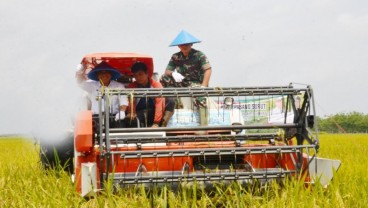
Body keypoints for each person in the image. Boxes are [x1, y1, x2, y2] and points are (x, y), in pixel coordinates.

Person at [160, 30, 212, 126]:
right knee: (164, 78)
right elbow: (167, 71)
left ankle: (204, 124)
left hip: (195, 82)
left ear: (191, 44)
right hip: (182, 81)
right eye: (182, 44)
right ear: (178, 46)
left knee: (199, 95)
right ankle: (170, 104)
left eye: (187, 44)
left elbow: (208, 69)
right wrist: (173, 74)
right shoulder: (175, 56)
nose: (184, 46)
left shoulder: (199, 55)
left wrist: (204, 86)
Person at [75, 61, 128, 126]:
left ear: (111, 74)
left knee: (121, 129)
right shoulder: (92, 85)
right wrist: (80, 70)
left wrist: (122, 111)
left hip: (115, 117)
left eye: (106, 72)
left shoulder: (119, 86)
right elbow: (79, 83)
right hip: (96, 118)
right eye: (101, 73)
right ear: (97, 75)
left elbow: (123, 100)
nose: (104, 75)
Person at [126, 62, 174, 127]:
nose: (138, 77)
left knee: (170, 99)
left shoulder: (156, 85)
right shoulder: (132, 86)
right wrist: (132, 113)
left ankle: (162, 126)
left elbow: (159, 103)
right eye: (135, 75)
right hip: (139, 112)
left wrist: (156, 123)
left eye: (140, 74)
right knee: (130, 120)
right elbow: (131, 102)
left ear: (147, 74)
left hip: (153, 112)